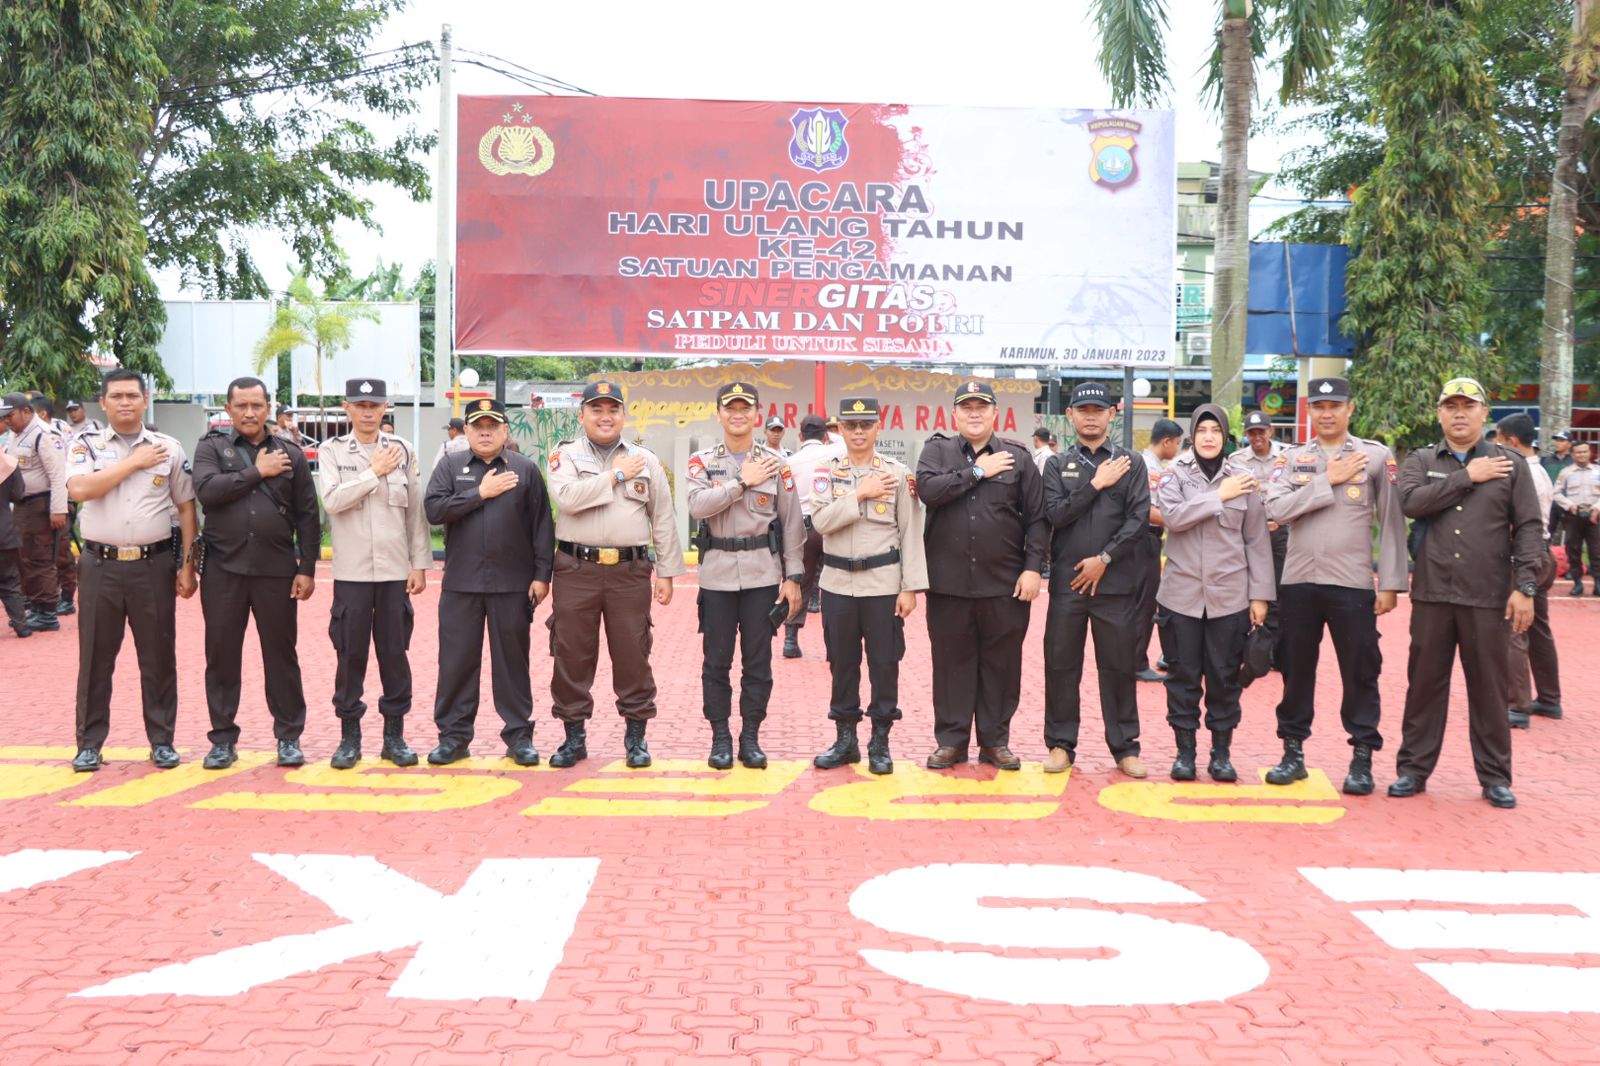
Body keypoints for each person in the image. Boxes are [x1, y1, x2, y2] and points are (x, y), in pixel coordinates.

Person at [1392, 377, 1543, 809]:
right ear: (1439, 413)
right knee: (1423, 685)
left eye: (1468, 406)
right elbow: (1412, 503)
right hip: (1434, 594)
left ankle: (1495, 776)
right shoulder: (1421, 460)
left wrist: (1525, 587)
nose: (1460, 413)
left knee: (1490, 689)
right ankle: (1413, 770)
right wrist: (1467, 477)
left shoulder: (1510, 464)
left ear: (1483, 413)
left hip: (1488, 594)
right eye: (1451, 406)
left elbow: (1530, 526)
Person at [1263, 377, 1407, 795]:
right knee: (1294, 669)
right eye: (1320, 405)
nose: (1327, 413)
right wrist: (1327, 479)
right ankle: (1293, 753)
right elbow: (1274, 508)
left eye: (1335, 405)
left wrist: (1392, 583)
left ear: (1350, 409)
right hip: (1299, 581)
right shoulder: (1291, 459)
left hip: (1352, 584)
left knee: (1361, 671)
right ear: (1310, 410)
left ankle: (1362, 757)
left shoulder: (1376, 457)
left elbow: (1393, 523)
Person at [62, 369, 199, 772]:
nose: (125, 403)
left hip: (152, 566)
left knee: (158, 657)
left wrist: (187, 565)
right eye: (116, 396)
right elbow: (81, 490)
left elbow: (187, 507)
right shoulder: (84, 443)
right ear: (102, 403)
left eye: (132, 396)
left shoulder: (168, 448)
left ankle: (161, 741)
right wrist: (134, 462)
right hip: (99, 565)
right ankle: (89, 744)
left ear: (145, 400)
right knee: (95, 659)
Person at [544, 380, 685, 769]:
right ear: (582, 415)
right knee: (570, 653)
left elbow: (662, 517)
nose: (605, 417)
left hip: (630, 572)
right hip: (576, 570)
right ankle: (574, 738)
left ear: (623, 415)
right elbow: (567, 500)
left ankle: (636, 738)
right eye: (596, 409)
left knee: (633, 653)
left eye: (612, 410)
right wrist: (616, 476)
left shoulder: (647, 460)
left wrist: (668, 573)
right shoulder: (564, 455)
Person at [192, 377, 322, 769]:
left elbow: (308, 515)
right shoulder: (210, 447)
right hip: (223, 569)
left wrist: (308, 568)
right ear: (228, 410)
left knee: (281, 655)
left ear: (268, 408)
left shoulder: (291, 452)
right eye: (241, 406)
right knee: (221, 656)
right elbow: (208, 491)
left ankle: (288, 737)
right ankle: (222, 739)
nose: (250, 413)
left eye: (257, 405)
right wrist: (258, 472)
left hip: (276, 572)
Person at [917, 379, 1046, 770]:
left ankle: (994, 741)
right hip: (948, 585)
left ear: (995, 413)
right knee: (951, 666)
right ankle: (952, 742)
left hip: (1004, 585)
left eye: (982, 406)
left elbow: (1038, 519)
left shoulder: (1018, 457)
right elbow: (928, 490)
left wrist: (1033, 569)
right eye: (966, 407)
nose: (974, 413)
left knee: (1001, 667)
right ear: (954, 414)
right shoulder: (936, 451)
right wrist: (976, 471)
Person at [424, 397, 554, 765]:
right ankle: (454, 737)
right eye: (477, 426)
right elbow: (433, 510)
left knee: (512, 664)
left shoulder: (525, 470)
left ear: (504, 430)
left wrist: (541, 576)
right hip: (461, 584)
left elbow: (542, 526)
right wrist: (478, 494)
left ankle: (518, 737)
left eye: (492, 426)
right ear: (465, 431)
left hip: (512, 586)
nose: (485, 432)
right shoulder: (450, 466)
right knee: (456, 663)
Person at [686, 382, 805, 769]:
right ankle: (720, 736)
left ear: (757, 413)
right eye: (730, 407)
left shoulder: (777, 462)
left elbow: (791, 525)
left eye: (745, 407)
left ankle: (750, 736)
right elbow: (697, 506)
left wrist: (793, 578)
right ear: (718, 413)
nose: (738, 414)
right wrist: (741, 483)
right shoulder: (701, 462)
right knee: (715, 662)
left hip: (761, 577)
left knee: (758, 663)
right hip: (717, 576)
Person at [1153, 405, 1274, 781]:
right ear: (1192, 435)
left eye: (1215, 431)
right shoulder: (1174, 475)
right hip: (1181, 596)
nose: (1208, 436)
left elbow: (1256, 540)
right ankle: (1185, 753)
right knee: (1183, 676)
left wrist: (1260, 596)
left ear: (1225, 437)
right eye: (1202, 430)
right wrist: (1219, 495)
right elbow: (1173, 518)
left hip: (1231, 597)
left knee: (1224, 678)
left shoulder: (1245, 479)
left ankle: (1221, 754)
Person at [317, 379, 432, 769]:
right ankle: (349, 738)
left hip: (393, 573)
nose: (368, 412)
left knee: (394, 655)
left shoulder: (403, 451)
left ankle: (394, 738)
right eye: (360, 405)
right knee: (349, 656)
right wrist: (372, 472)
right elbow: (332, 501)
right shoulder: (332, 451)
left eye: (375, 405)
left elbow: (415, 512)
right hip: (351, 575)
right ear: (346, 409)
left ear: (386, 408)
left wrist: (419, 564)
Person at [809, 396, 928, 774]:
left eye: (865, 425)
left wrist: (910, 587)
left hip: (883, 585)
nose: (858, 432)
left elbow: (911, 533)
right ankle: (846, 740)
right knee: (842, 664)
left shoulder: (897, 474)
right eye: (850, 426)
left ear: (878, 427)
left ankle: (880, 741)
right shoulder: (825, 470)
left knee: (884, 663)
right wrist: (859, 494)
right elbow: (821, 522)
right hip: (838, 584)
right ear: (839, 429)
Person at [1040, 381, 1151, 777]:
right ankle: (1059, 744)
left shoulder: (1131, 463)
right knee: (1060, 665)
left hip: (1115, 584)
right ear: (1070, 415)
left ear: (1112, 414)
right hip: (1068, 585)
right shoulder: (1056, 464)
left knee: (1119, 666)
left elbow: (1138, 519)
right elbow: (1054, 514)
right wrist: (1095, 485)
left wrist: (1104, 559)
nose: (1090, 416)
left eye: (1098, 410)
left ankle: (1125, 748)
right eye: (1082, 410)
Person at [1495, 415, 1562, 730]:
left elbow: (1519, 523)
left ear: (1510, 441)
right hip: (1542, 557)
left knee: (1515, 628)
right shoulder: (1539, 471)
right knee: (1538, 629)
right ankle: (1549, 699)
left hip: (1524, 558)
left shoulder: (1522, 473)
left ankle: (1516, 705)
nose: (1494, 446)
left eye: (1498, 439)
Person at [2, 391, 67, 632]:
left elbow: (57, 474)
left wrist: (58, 510)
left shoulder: (44, 434)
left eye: (10, 416)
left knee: (41, 558)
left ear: (26, 412)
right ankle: (38, 608)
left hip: (42, 505)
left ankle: (48, 613)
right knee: (25, 558)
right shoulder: (16, 435)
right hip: (22, 507)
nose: (7, 421)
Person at [782, 413, 844, 653]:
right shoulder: (834, 453)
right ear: (826, 434)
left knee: (799, 582)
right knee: (832, 585)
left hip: (802, 528)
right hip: (829, 526)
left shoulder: (790, 461)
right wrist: (834, 434)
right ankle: (832, 644)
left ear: (800, 436)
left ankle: (790, 640)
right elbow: (843, 442)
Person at [1237, 409, 1289, 679]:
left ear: (1270, 431)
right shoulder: (1236, 460)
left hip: (1279, 531)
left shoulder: (1287, 457)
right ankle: (1247, 649)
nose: (1257, 436)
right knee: (1246, 590)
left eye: (1261, 431)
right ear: (1246, 435)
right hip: (1247, 534)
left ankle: (1272, 652)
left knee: (1277, 592)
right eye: (1252, 432)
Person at [1134, 418, 1183, 682]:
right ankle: (1137, 662)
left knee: (1143, 601)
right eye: (1176, 443)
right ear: (1166, 441)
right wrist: (1181, 519)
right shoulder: (1150, 469)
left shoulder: (1148, 464)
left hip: (1145, 541)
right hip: (1145, 539)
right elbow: (1147, 511)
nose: (1176, 449)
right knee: (1144, 603)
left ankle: (1135, 659)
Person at [0, 407, 33, 638]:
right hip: (5, 532)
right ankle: (22, 626)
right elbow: (18, 495)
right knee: (10, 581)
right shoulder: (9, 463)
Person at [1552, 441, 1600, 595]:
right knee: (1573, 550)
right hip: (1573, 516)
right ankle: (1577, 582)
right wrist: (1570, 505)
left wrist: (1597, 507)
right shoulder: (1566, 472)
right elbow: (1556, 493)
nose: (1582, 455)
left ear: (1590, 452)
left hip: (1594, 516)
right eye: (1578, 452)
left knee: (1597, 550)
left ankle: (1598, 583)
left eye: (1585, 451)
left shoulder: (1598, 471)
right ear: (1573, 454)